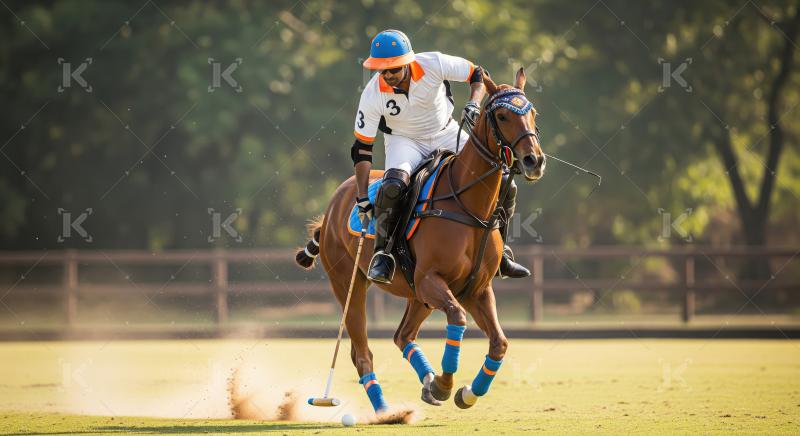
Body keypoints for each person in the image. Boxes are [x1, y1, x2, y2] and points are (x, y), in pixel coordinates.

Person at [351, 29, 529, 284]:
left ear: (408, 61)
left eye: (394, 68)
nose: (388, 75)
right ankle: (383, 254)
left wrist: (473, 103)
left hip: (446, 132)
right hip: (404, 141)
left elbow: (477, 73)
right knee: (392, 187)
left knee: (505, 183)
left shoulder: (433, 63)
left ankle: (502, 252)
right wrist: (360, 197)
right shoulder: (372, 94)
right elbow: (362, 149)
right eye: (382, 70)